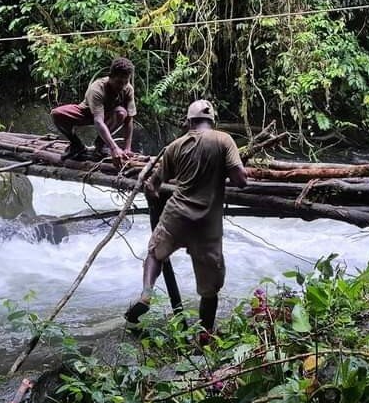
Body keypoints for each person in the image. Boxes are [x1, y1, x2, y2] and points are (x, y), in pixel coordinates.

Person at [125, 100, 249, 341]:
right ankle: (204, 337)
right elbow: (240, 180)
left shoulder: (174, 146)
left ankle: (146, 293)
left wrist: (153, 196)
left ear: (189, 122)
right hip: (207, 225)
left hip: (176, 215)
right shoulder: (224, 141)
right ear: (212, 121)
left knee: (154, 253)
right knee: (209, 289)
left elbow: (153, 185)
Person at [51, 57, 136, 163]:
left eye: (125, 82)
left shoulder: (128, 89)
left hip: (108, 116)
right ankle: (76, 144)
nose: (122, 86)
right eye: (119, 82)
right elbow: (98, 120)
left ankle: (100, 145)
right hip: (87, 113)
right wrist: (114, 148)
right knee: (57, 114)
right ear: (110, 77)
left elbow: (129, 120)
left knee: (121, 113)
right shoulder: (97, 89)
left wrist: (127, 148)